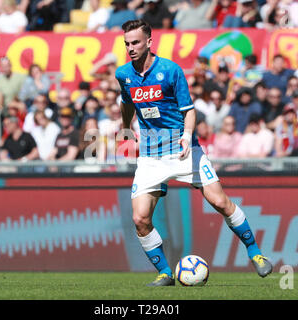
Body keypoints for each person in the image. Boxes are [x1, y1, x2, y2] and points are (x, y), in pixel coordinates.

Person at [115, 19, 272, 287]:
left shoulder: (170, 70)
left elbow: (189, 110)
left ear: (149, 42)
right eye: (127, 43)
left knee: (220, 202)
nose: (130, 48)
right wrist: (127, 128)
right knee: (140, 218)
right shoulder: (123, 74)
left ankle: (255, 253)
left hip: (183, 149)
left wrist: (187, 137)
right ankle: (165, 272)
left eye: (136, 42)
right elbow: (127, 103)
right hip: (151, 156)